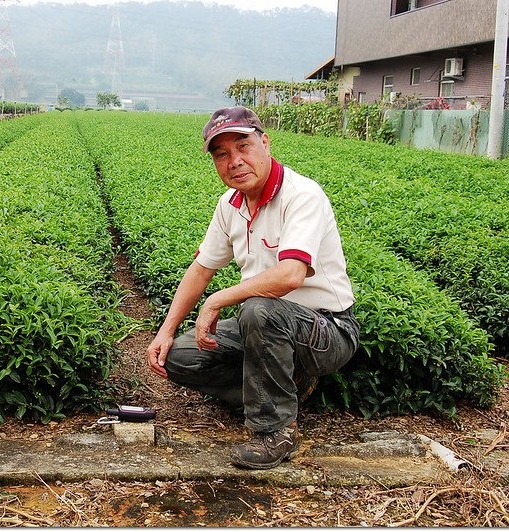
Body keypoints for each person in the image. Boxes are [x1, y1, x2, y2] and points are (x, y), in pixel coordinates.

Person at [146, 106, 360, 470]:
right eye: (222, 154)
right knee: (180, 356)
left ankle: (275, 430)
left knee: (259, 308)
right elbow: (201, 269)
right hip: (265, 326)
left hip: (327, 330)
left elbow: (291, 275)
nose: (235, 161)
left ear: (265, 142)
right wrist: (164, 332)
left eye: (243, 146)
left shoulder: (301, 194)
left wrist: (216, 301)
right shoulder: (230, 204)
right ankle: (283, 387)